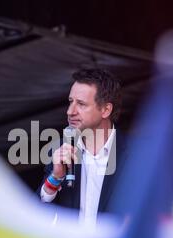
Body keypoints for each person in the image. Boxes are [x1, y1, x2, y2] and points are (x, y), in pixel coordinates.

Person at [39, 68, 128, 227]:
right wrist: (56, 177)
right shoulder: (60, 149)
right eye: (70, 101)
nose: (70, 111)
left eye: (81, 104)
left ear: (106, 109)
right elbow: (37, 214)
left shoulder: (135, 155)